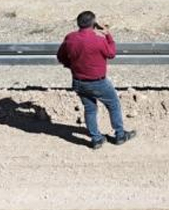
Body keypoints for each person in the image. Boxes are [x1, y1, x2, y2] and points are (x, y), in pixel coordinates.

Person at [56, 11, 135, 150]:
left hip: (79, 81)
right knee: (113, 104)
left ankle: (96, 139)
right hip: (98, 82)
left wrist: (71, 66)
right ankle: (120, 134)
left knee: (90, 109)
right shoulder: (99, 40)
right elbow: (111, 54)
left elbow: (61, 56)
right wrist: (108, 35)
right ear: (94, 24)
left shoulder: (70, 38)